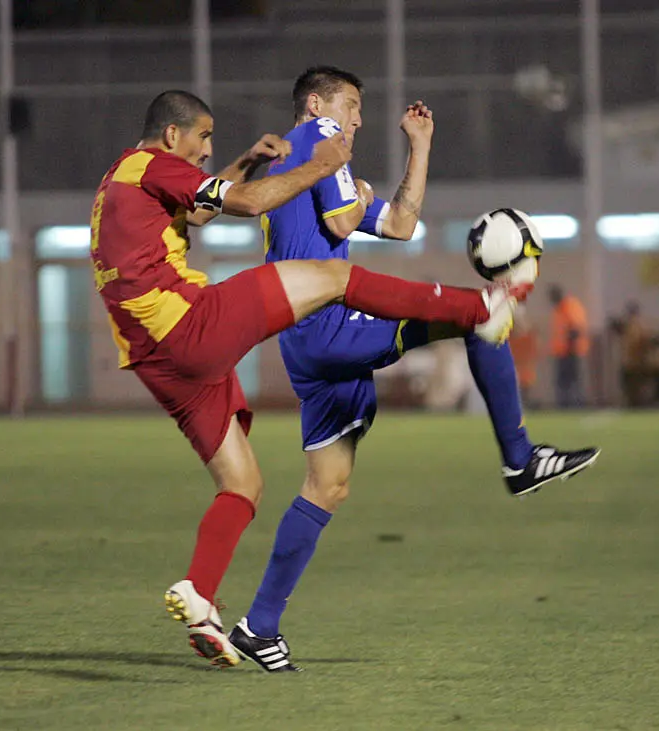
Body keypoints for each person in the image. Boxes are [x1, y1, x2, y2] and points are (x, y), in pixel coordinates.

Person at [90, 89, 525, 670]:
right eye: (203, 139)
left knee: (242, 486)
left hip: (156, 361)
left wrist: (244, 160)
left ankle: (199, 595)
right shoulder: (155, 164)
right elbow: (241, 206)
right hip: (187, 325)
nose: (206, 150)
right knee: (335, 275)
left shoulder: (122, 178)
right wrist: (322, 166)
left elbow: (198, 209)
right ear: (173, 136)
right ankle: (478, 308)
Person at [225, 67, 600, 672]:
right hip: (327, 325)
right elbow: (349, 222)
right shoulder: (317, 139)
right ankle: (519, 457)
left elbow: (399, 226)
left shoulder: (312, 167)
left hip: (306, 339)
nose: (357, 120)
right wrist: (355, 188)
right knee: (477, 317)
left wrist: (419, 147)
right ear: (317, 105)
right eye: (351, 106)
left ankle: (257, 627)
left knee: (327, 487)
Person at [548, 284, 589, 408]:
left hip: (571, 351)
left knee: (573, 380)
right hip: (562, 352)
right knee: (563, 381)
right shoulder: (558, 309)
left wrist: (570, 348)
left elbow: (576, 328)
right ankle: (564, 405)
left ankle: (576, 405)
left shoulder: (570, 306)